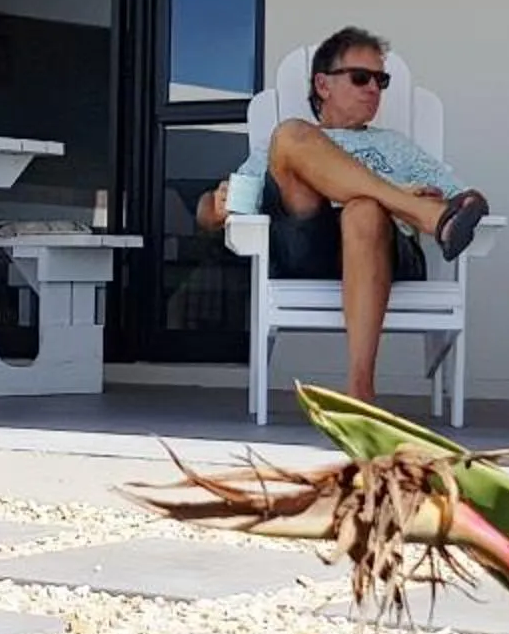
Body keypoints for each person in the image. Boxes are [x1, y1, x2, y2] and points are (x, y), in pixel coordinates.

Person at [197, 26, 492, 400]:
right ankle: (415, 210)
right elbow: (208, 213)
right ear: (323, 84)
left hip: (384, 251)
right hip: (308, 249)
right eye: (360, 77)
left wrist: (468, 198)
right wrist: (215, 207)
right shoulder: (293, 142)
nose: (373, 88)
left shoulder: (396, 146)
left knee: (363, 210)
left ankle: (360, 389)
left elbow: (463, 202)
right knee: (289, 135)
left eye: (381, 80)